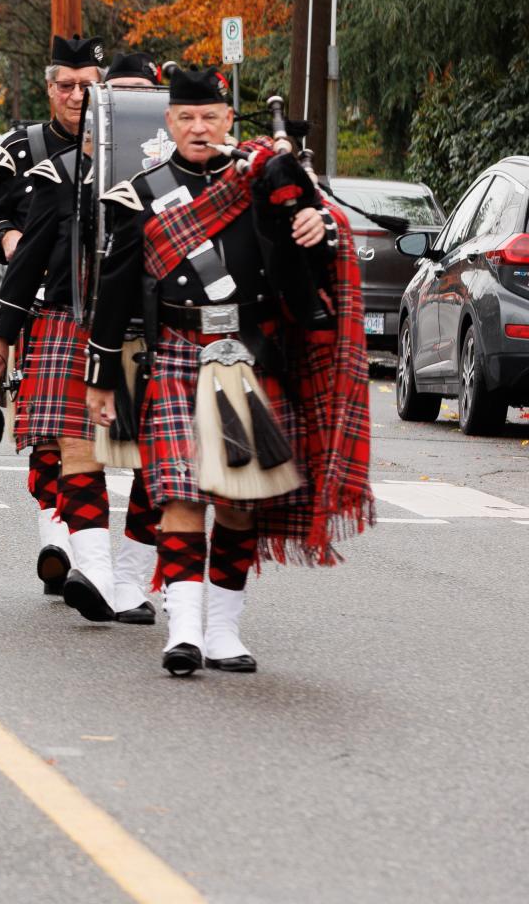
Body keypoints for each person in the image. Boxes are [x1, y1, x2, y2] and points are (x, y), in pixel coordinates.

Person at [83, 66, 373, 674]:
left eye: (209, 117)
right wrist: (101, 379)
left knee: (240, 503)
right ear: (169, 123)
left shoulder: (261, 183)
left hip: (248, 354)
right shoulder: (140, 194)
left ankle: (223, 630)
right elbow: (114, 293)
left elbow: (312, 259)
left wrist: (319, 225)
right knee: (180, 497)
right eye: (186, 117)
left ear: (227, 121)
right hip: (176, 353)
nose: (198, 128)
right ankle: (184, 631)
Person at [0, 52, 163, 626]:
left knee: (157, 464)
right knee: (77, 452)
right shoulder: (58, 173)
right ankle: (98, 575)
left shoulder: (181, 175)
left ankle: (130, 579)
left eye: (139, 95)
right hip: (68, 319)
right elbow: (26, 263)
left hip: (159, 331)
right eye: (115, 94)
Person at [0, 35, 104, 595]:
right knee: (52, 432)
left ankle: (82, 549)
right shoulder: (22, 148)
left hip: (105, 302)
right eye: (66, 86)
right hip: (39, 303)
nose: (76, 96)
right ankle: (57, 540)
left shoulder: (125, 148)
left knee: (89, 437)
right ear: (50, 89)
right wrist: (13, 242)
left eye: (87, 86)